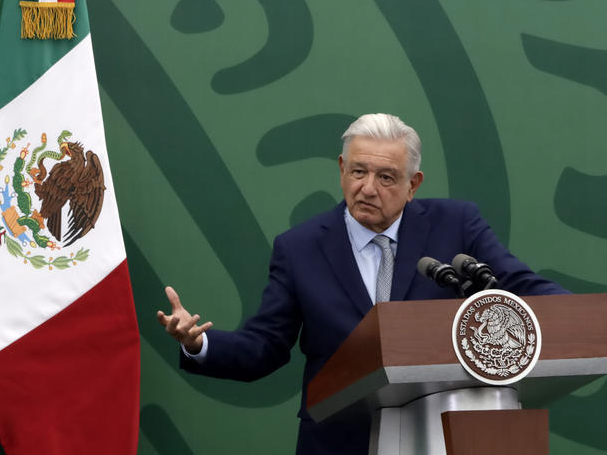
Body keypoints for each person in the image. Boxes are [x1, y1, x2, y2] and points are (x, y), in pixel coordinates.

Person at [157, 113, 567, 455]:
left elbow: (517, 285)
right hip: (339, 440)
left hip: (446, 435)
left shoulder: (457, 226)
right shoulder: (299, 248)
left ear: (413, 185)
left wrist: (586, 320)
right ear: (341, 169)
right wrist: (198, 345)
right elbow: (264, 347)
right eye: (358, 171)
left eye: (386, 177)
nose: (368, 188)